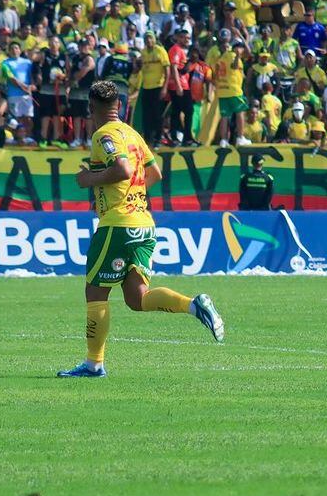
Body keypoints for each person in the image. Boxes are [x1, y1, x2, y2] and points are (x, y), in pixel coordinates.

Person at [58, 81, 223, 378]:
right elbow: (155, 173)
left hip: (117, 226)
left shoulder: (103, 135)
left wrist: (90, 181)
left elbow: (121, 169)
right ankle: (193, 305)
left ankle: (94, 364)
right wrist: (129, 192)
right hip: (145, 224)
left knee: (95, 293)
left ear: (91, 109)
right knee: (137, 298)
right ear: (119, 106)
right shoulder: (133, 134)